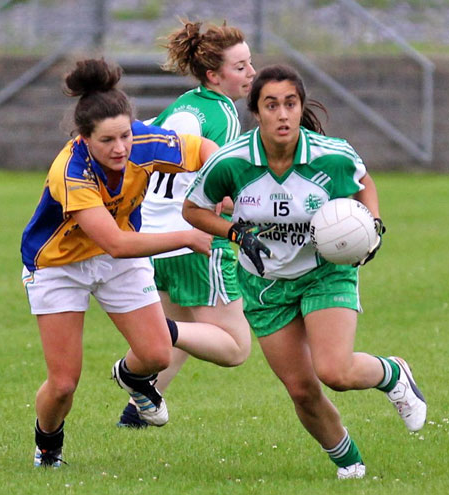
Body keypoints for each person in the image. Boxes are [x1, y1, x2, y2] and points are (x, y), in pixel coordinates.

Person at [182, 64, 427, 479]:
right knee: (301, 389)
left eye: (290, 104)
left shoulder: (330, 155)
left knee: (335, 371)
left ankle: (392, 372)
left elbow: (363, 180)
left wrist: (374, 225)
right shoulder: (232, 161)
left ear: (300, 108)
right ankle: (350, 466)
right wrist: (236, 233)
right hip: (263, 284)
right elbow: (192, 209)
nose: (282, 114)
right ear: (256, 112)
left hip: (323, 271)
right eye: (271, 105)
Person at [21, 58, 253, 468]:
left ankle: (131, 377)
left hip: (117, 262)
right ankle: (47, 448)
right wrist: (186, 235)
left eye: (126, 135)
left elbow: (202, 149)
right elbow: (114, 242)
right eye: (108, 140)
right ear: (84, 139)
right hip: (59, 265)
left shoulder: (143, 141)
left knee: (157, 353)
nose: (121, 148)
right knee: (62, 384)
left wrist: (222, 182)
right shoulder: (71, 171)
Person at [118, 19, 256, 428]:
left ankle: (136, 414)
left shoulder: (181, 105)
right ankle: (132, 363)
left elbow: (142, 153)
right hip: (195, 241)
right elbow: (222, 187)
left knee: (178, 331)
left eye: (250, 63)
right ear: (215, 75)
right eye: (241, 67)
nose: (251, 73)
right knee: (234, 347)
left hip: (152, 240)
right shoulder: (224, 115)